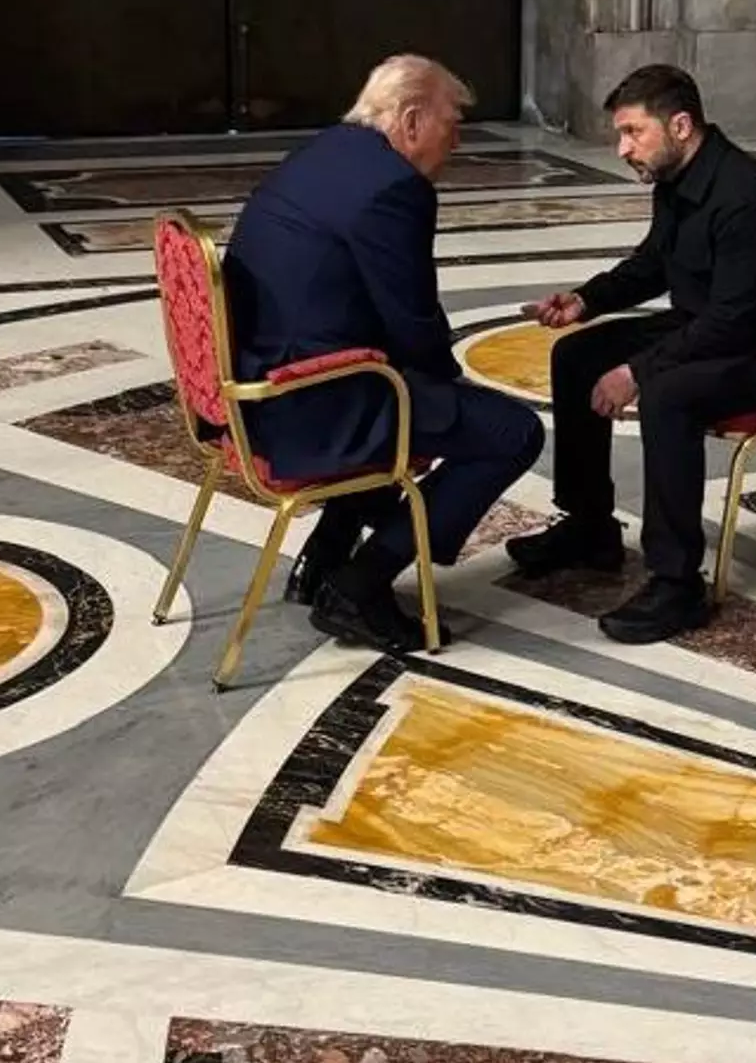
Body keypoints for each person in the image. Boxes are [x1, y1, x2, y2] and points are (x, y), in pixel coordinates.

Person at [224, 54, 544, 652]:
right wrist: (449, 392)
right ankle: (359, 583)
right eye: (452, 124)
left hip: (257, 388)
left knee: (412, 393)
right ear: (412, 119)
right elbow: (414, 321)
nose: (457, 142)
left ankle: (323, 557)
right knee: (511, 433)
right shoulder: (394, 187)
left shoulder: (324, 153)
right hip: (311, 405)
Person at [507, 64, 756, 643]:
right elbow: (654, 263)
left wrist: (636, 371)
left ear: (680, 126)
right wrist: (586, 300)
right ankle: (590, 526)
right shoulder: (677, 178)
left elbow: (734, 321)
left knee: (668, 395)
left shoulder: (747, 199)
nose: (623, 148)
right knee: (576, 357)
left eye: (633, 132)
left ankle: (677, 582)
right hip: (711, 327)